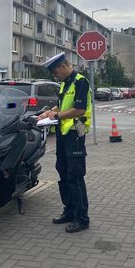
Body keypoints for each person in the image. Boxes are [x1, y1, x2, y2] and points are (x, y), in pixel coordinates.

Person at [38, 52, 92, 233]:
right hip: (63, 134)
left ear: (63, 66)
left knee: (75, 176)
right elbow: (61, 105)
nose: (55, 75)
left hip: (75, 135)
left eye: (55, 72)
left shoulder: (80, 82)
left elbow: (79, 109)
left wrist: (57, 115)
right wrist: (48, 113)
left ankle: (82, 218)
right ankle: (69, 211)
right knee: (63, 172)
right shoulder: (65, 83)